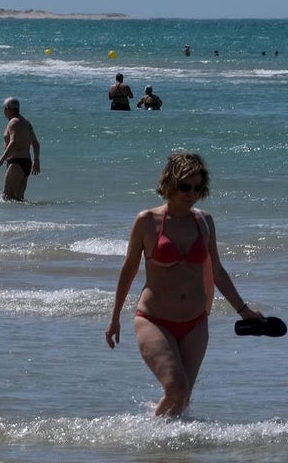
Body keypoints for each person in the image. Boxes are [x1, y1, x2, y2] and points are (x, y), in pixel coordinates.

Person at [105, 152, 265, 416]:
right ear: (169, 182)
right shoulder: (147, 221)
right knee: (176, 388)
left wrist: (243, 310)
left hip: (195, 323)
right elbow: (129, 270)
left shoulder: (204, 222)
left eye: (198, 188)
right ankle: (150, 436)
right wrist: (114, 319)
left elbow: (217, 271)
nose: (192, 193)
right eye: (185, 186)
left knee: (183, 398)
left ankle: (172, 456)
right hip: (154, 319)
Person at [0, 97, 40, 202]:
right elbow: (36, 144)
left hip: (16, 163)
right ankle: (21, 218)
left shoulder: (13, 122)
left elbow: (13, 142)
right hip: (26, 163)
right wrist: (36, 161)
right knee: (18, 199)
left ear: (7, 109)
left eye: (4, 109)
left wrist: (0, 161)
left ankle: (9, 218)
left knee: (6, 196)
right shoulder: (26, 122)